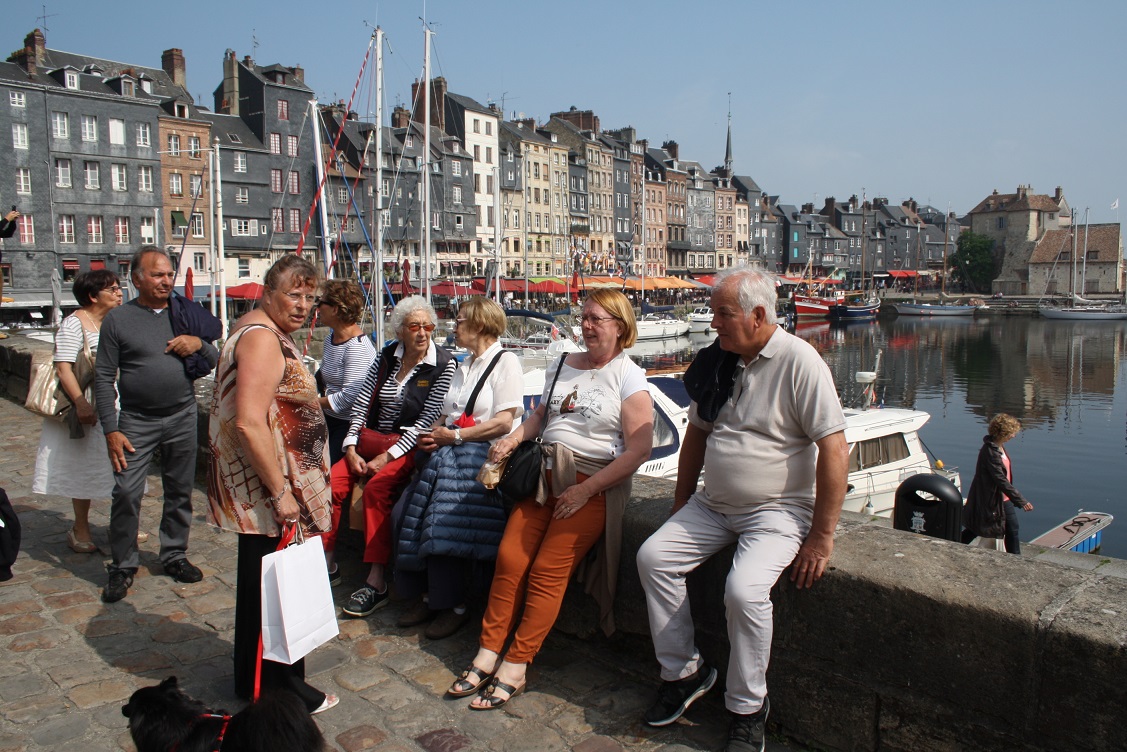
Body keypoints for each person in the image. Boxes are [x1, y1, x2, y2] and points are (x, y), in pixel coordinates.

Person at [636, 268, 849, 752]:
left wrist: (822, 536)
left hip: (777, 510)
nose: (713, 323)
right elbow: (697, 434)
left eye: (723, 314)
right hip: (712, 505)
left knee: (744, 591)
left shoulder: (801, 362)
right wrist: (681, 501)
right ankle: (683, 673)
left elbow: (835, 449)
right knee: (653, 558)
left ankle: (748, 708)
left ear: (757, 315)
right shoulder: (720, 358)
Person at [449, 288, 653, 710]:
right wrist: (512, 439)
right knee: (510, 560)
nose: (587, 325)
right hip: (541, 479)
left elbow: (639, 450)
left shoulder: (629, 376)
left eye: (596, 319)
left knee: (546, 571)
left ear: (620, 326)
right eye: (584, 317)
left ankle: (517, 663)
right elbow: (541, 416)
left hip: (591, 484)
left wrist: (585, 490)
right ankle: (487, 652)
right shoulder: (562, 362)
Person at [206, 254, 337, 714]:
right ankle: (281, 691)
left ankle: (256, 682)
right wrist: (282, 492)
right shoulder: (262, 339)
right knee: (279, 591)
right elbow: (248, 422)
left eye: (310, 297)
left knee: (262, 586)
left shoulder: (256, 330)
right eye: (294, 294)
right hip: (274, 489)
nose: (303, 305)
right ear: (269, 292)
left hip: (273, 485)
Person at [93, 247, 222, 603]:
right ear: (137, 279)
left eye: (169, 274)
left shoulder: (184, 314)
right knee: (126, 492)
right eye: (157, 275)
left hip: (182, 415)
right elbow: (103, 378)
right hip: (135, 420)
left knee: (180, 490)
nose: (166, 281)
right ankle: (123, 564)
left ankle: (174, 554)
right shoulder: (118, 320)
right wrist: (111, 429)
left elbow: (216, 358)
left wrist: (198, 344)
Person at [394, 296, 524, 640]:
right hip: (448, 454)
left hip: (479, 458)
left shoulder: (506, 362)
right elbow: (445, 415)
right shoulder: (462, 365)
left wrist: (454, 436)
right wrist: (431, 435)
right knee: (403, 515)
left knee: (444, 518)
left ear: (479, 325)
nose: (454, 325)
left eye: (461, 319)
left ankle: (453, 604)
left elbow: (504, 422)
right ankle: (426, 593)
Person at [326, 296, 455, 618]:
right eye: (415, 326)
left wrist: (388, 457)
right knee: (331, 484)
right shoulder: (386, 357)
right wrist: (351, 448)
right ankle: (326, 562)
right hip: (369, 441)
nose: (422, 333)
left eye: (428, 326)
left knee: (376, 490)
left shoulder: (443, 364)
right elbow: (361, 405)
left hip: (405, 446)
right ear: (400, 331)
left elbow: (426, 421)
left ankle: (376, 580)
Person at [33, 270, 123, 551]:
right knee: (85, 466)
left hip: (116, 402)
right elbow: (64, 367)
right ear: (93, 296)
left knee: (121, 466)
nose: (119, 293)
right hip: (89, 401)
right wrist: (81, 403)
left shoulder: (115, 322)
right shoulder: (74, 324)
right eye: (113, 289)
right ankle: (80, 528)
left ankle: (121, 525)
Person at [315, 279, 376, 467]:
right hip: (328, 419)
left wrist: (311, 403)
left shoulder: (357, 348)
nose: (317, 307)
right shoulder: (330, 340)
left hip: (348, 426)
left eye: (321, 302)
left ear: (335, 309)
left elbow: (349, 397)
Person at [962, 413, 1033, 554]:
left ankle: (1016, 558)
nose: (1014, 436)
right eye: (1012, 433)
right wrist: (1021, 500)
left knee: (1012, 529)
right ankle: (953, 544)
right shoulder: (990, 452)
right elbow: (1000, 479)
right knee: (977, 528)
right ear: (1003, 433)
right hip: (993, 499)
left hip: (1003, 497)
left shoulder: (998, 447)